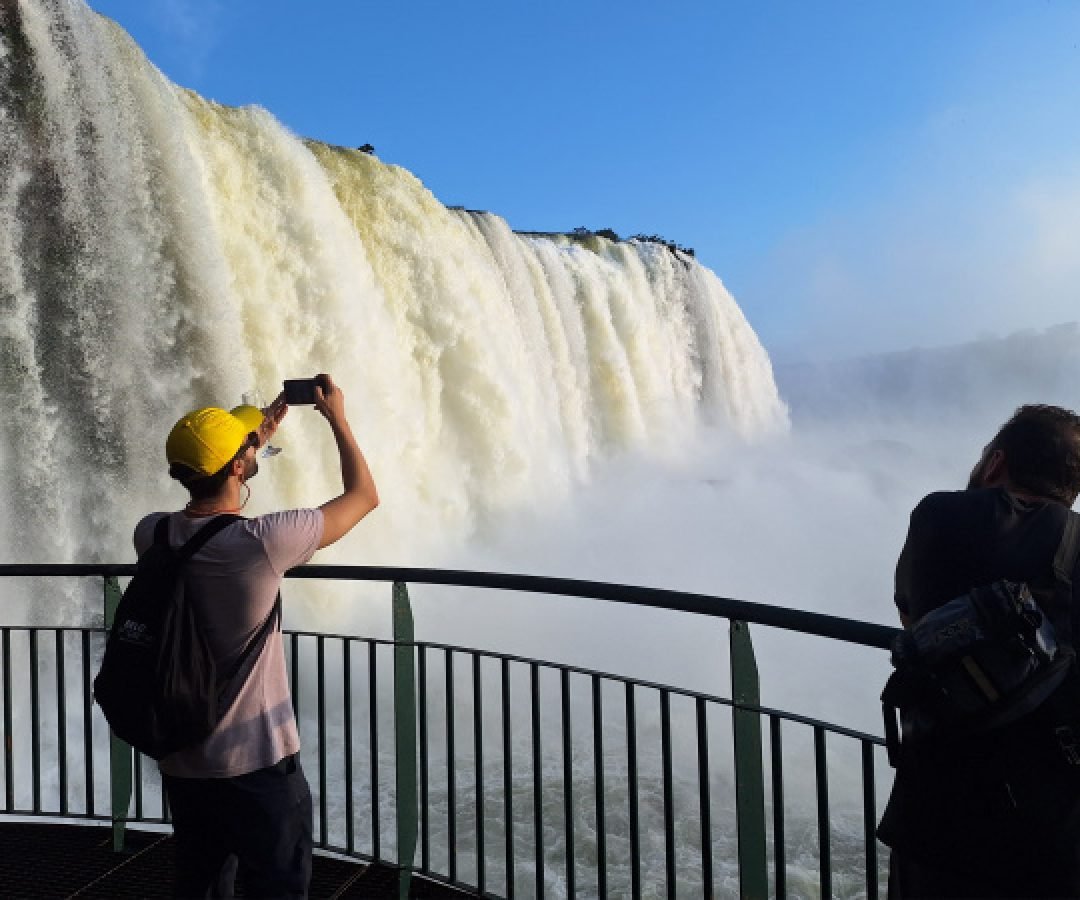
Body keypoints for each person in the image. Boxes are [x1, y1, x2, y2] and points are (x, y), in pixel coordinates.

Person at [136, 375, 378, 899]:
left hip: (183, 760)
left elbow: (202, 507)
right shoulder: (263, 543)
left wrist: (251, 442)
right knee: (278, 889)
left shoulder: (151, 533)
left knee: (201, 886)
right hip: (257, 763)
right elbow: (363, 496)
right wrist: (336, 417)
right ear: (240, 468)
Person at [879, 404, 1080, 899]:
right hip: (1054, 827)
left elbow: (914, 619)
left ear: (995, 463)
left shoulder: (939, 515)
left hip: (936, 814)